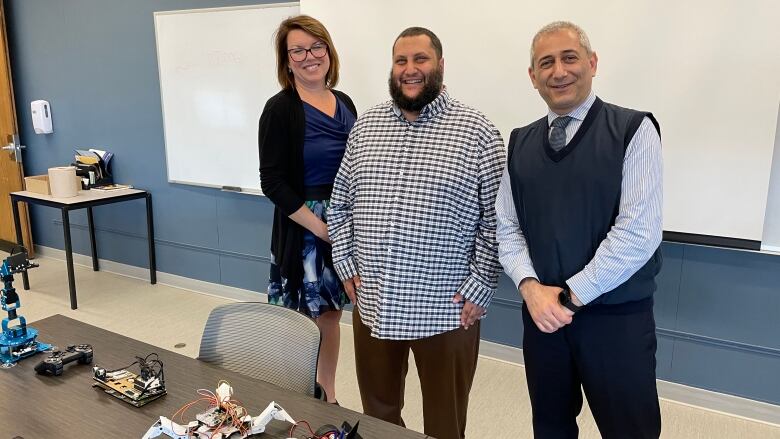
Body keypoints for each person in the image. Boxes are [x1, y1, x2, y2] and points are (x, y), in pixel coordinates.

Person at [328, 27, 505, 439]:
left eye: (420, 60)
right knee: (378, 413)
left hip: (445, 308)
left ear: (440, 65)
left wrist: (481, 285)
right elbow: (339, 205)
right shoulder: (367, 126)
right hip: (373, 300)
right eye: (401, 61)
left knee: (445, 423)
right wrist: (345, 261)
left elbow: (498, 221)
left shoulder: (477, 132)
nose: (410, 70)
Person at [496, 21, 663, 438]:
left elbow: (638, 233)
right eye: (545, 63)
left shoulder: (633, 131)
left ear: (592, 63)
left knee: (631, 430)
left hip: (615, 319)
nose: (559, 71)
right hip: (542, 317)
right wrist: (531, 288)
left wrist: (570, 298)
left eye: (569, 58)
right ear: (533, 77)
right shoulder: (519, 142)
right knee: (551, 427)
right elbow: (507, 227)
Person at [258, 15, 357, 404]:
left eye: (316, 47)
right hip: (304, 225)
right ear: (286, 61)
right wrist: (319, 227)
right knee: (301, 318)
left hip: (345, 220)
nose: (309, 56)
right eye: (297, 50)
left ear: (328, 52)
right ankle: (298, 395)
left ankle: (326, 392)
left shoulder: (345, 102)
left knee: (332, 313)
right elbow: (273, 182)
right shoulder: (279, 109)